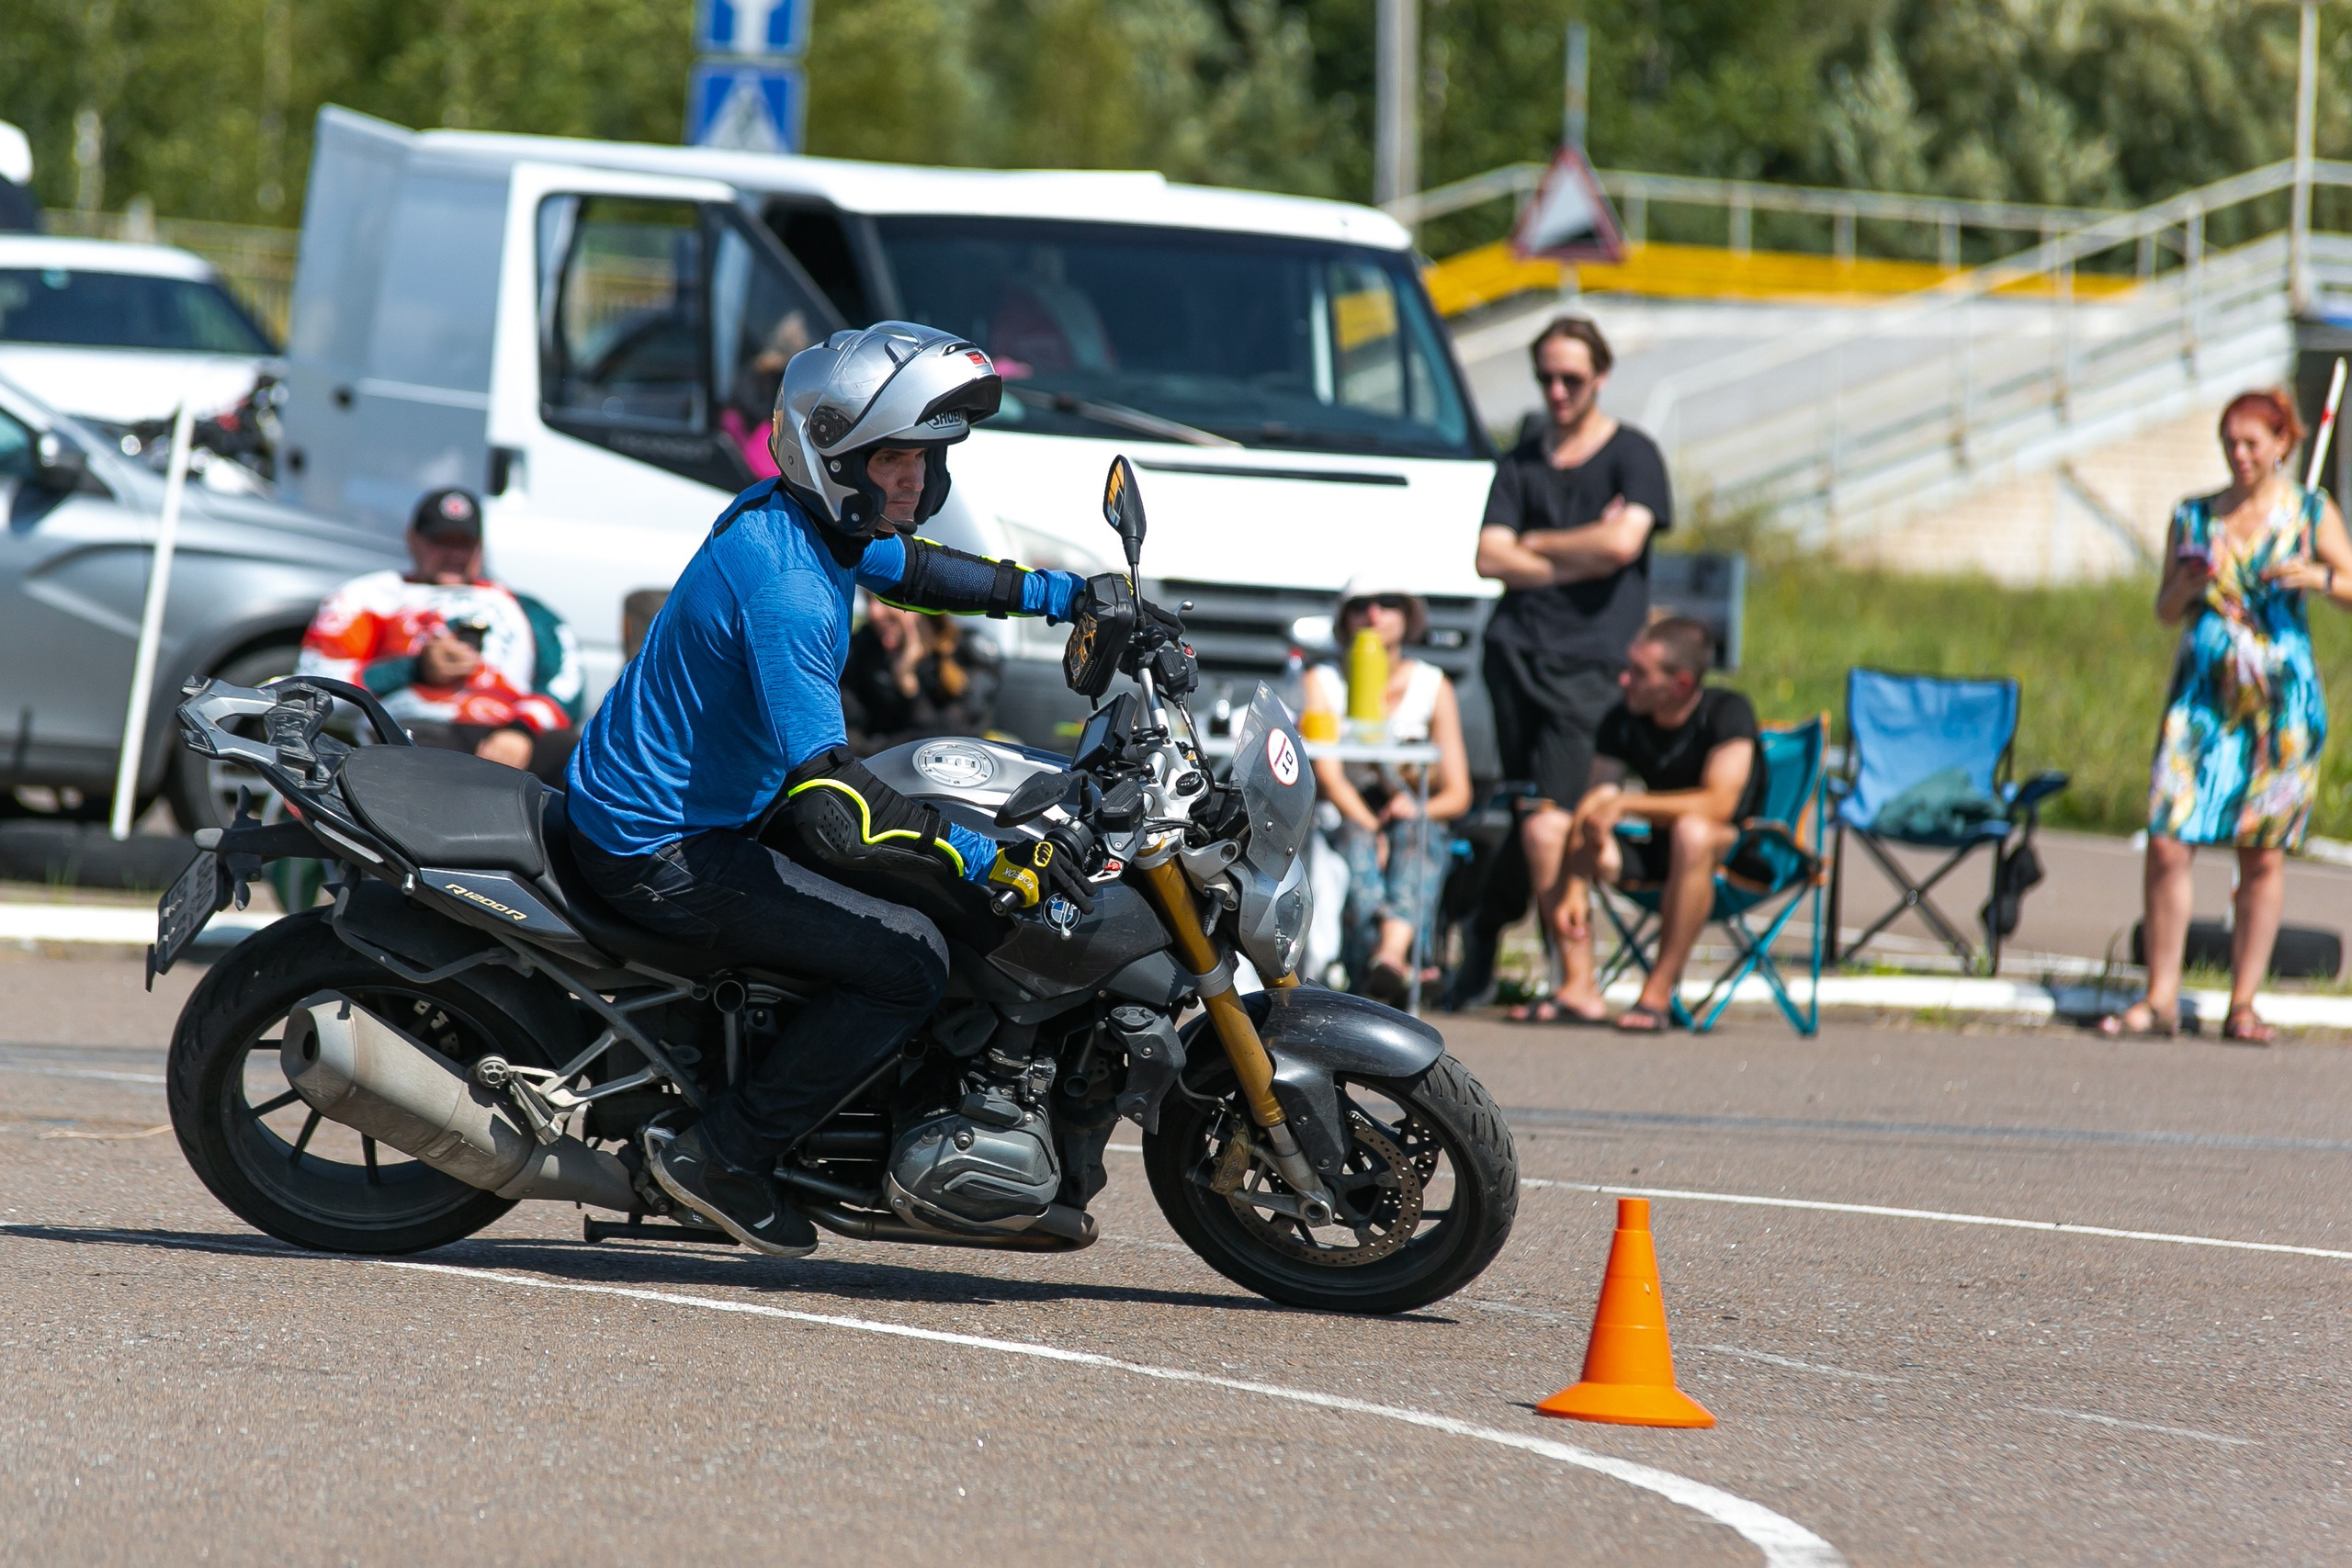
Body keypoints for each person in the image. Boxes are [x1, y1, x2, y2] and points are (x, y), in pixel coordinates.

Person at [565, 321, 1099, 1257]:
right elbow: (832, 807)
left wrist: (1068, 598)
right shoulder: (788, 587)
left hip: (697, 805)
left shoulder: (796, 521)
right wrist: (987, 856)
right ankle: (721, 1157)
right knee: (907, 960)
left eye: (924, 459)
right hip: (664, 847)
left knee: (915, 884)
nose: (915, 480)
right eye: (893, 458)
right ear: (837, 457)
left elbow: (921, 571)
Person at [2103, 387, 2352, 1044]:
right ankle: (2160, 996)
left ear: (2281, 445)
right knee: (2167, 835)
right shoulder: (2192, 516)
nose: (2239, 455)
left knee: (2262, 852)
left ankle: (2244, 1002)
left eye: (2251, 442)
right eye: (2230, 443)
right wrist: (2183, 588)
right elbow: (2164, 609)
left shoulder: (2308, 512)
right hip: (2202, 702)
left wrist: (2318, 578)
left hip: (2280, 708)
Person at [1475, 315, 1674, 1023]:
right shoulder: (1521, 461)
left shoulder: (1634, 455)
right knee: (1534, 813)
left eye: (1572, 379)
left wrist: (1539, 543)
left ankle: (1576, 978)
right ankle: (1519, 951)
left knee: (1549, 821)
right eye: (1546, 378)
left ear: (1601, 376)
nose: (1557, 391)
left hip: (1590, 665)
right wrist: (1575, 550)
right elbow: (1488, 557)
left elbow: (1623, 545)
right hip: (1512, 660)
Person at [1546, 617, 1765, 1033]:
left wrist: (1627, 803)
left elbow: (1719, 803)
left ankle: (1658, 994)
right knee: (1546, 828)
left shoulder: (1727, 711)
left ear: (1680, 684)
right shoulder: (1623, 716)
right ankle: (1577, 987)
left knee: (1694, 831)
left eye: (1639, 673)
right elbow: (1597, 800)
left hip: (1731, 856)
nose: (1624, 680)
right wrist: (1575, 883)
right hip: (1655, 853)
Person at [298, 488, 582, 779]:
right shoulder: (368, 597)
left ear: (480, 546)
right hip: (414, 728)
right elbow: (318, 687)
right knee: (431, 767)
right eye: (441, 541)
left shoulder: (525, 607)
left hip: (511, 731)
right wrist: (415, 668)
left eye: (465, 543)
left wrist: (520, 731)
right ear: (412, 538)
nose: (454, 555)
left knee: (582, 761)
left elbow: (566, 685)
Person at [1304, 578, 1474, 1006]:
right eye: (1361, 605)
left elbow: (1458, 793)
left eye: (1389, 603)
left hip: (1409, 811)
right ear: (1345, 617)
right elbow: (1329, 778)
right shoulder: (1323, 680)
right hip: (1345, 808)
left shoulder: (1433, 686)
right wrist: (1373, 826)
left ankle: (1386, 957)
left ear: (1410, 616)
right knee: (1358, 842)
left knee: (1419, 835)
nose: (1374, 615)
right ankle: (1394, 961)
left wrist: (1414, 808)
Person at [840, 592, 1001, 753]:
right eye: (869, 601)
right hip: (883, 769)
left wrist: (909, 685)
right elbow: (848, 734)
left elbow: (957, 738)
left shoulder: (969, 653)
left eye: (886, 599)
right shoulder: (860, 650)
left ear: (921, 603)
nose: (874, 613)